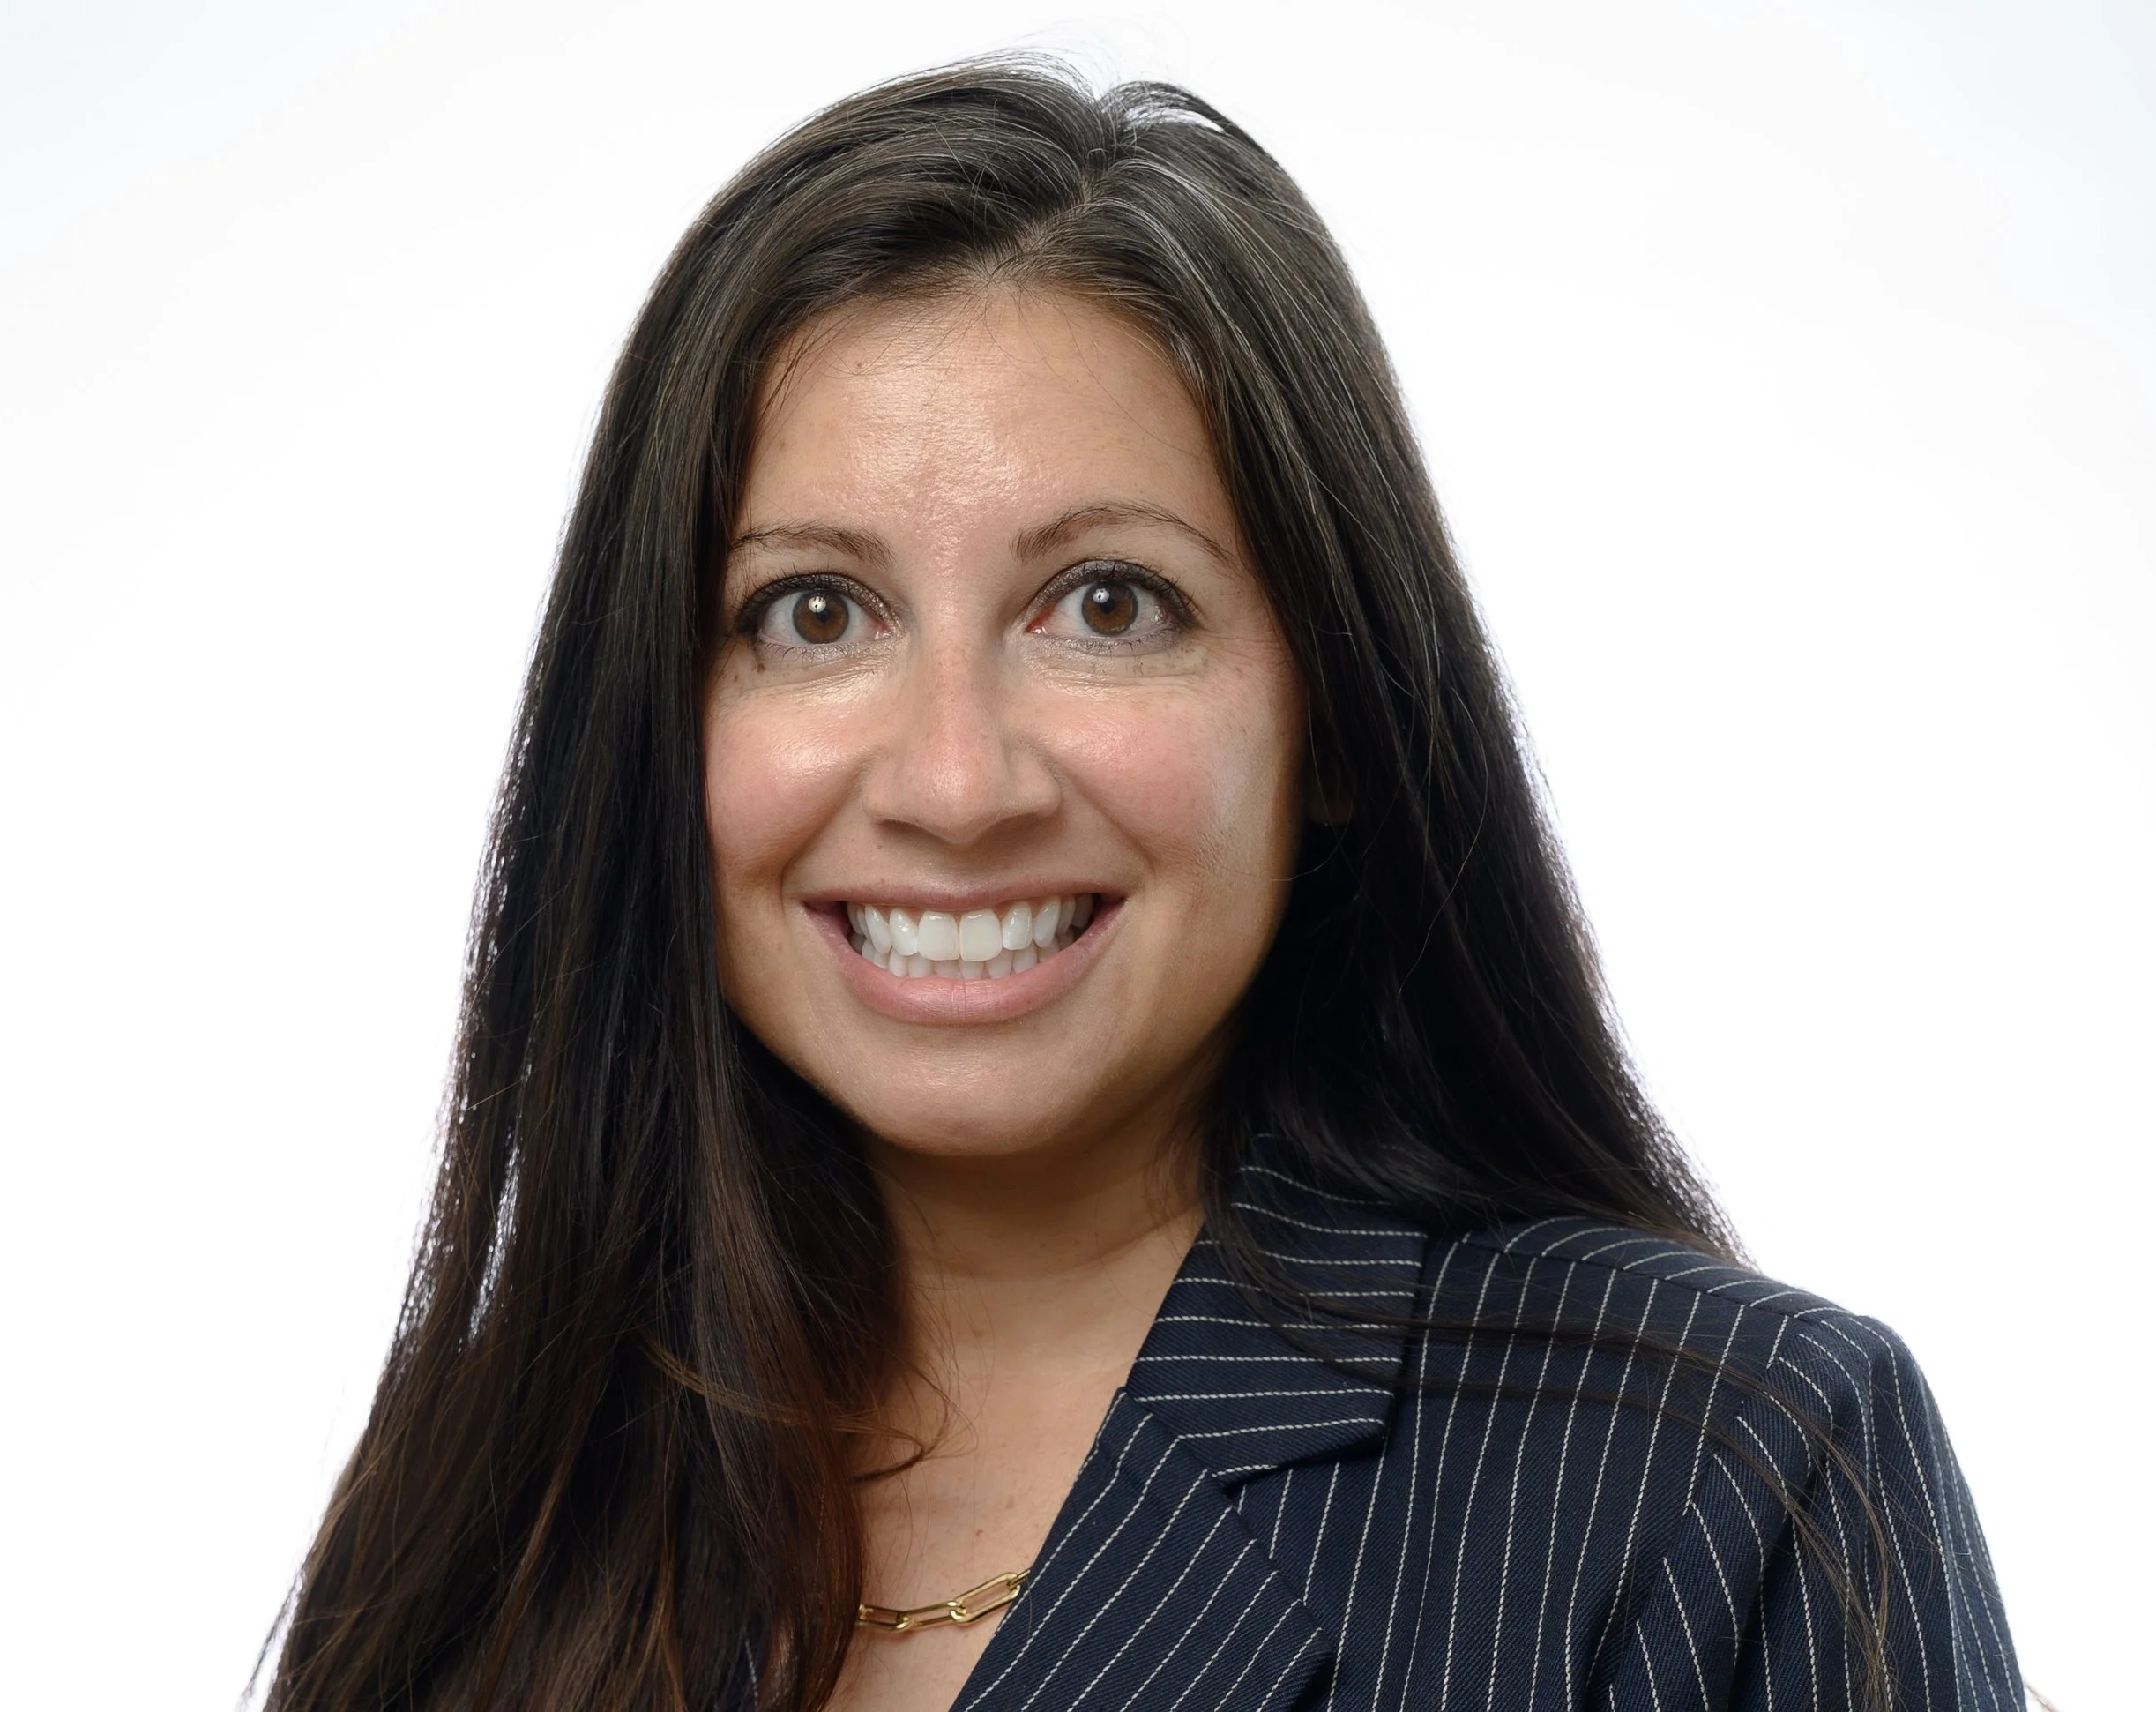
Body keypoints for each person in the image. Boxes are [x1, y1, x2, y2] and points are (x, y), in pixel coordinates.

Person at [261, 58, 2019, 1712]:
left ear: (1329, 715)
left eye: (1106, 604)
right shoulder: (493, 1492)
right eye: (813, 612)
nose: (955, 784)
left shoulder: (1718, 1468)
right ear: (653, 727)